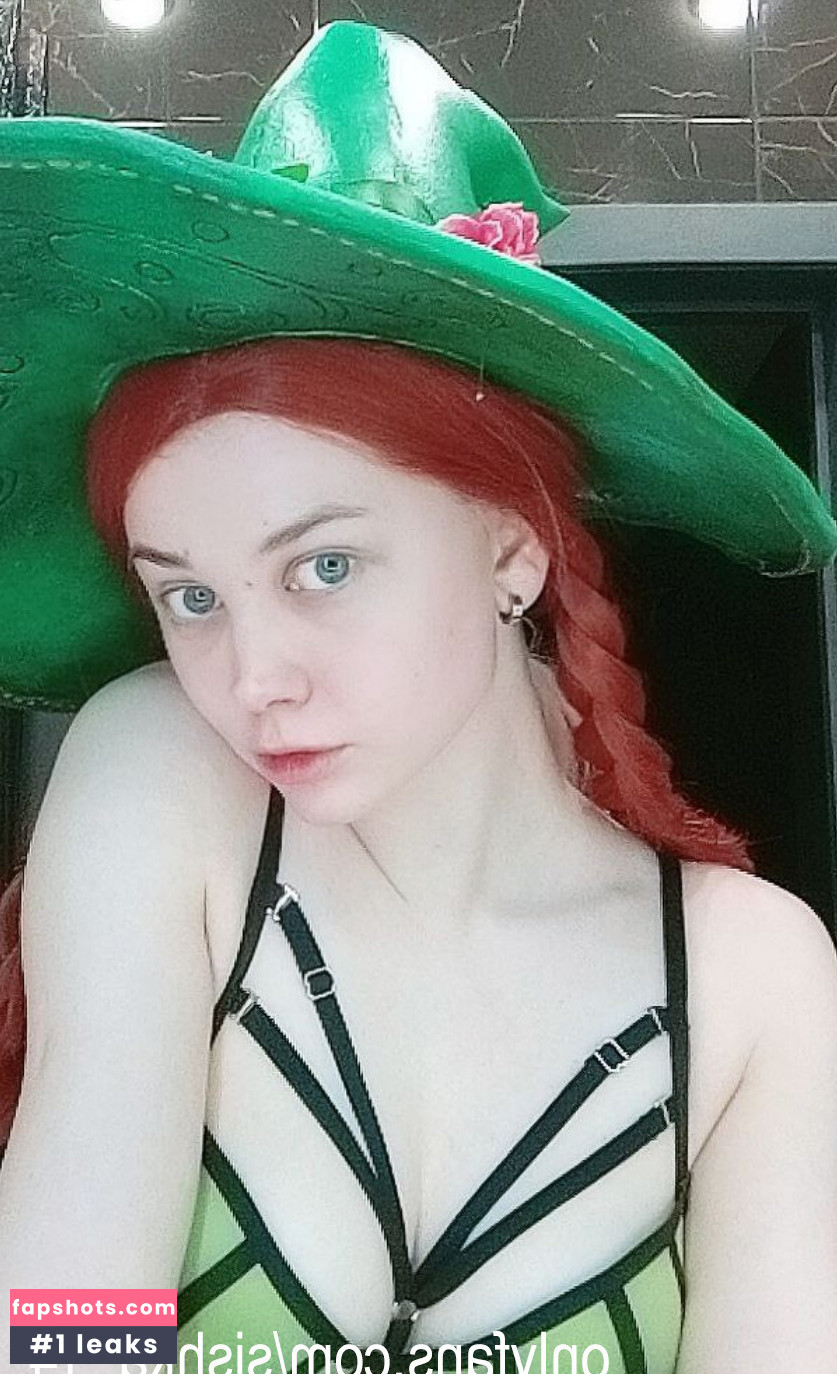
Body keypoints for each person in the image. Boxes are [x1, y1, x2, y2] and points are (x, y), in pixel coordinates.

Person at [0, 19, 836, 1374]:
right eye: (191, 596)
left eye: (323, 566)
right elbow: (65, 1326)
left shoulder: (752, 981)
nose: (252, 680)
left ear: (512, 547)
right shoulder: (166, 775)